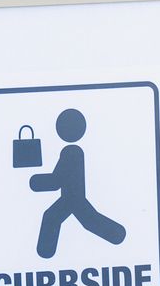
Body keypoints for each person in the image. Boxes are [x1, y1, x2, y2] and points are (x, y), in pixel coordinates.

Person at [29, 108, 126, 259]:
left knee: (54, 217)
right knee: (87, 220)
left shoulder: (71, 152)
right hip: (73, 199)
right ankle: (117, 234)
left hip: (71, 199)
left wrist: (35, 182)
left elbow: (56, 181)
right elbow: (58, 179)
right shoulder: (74, 151)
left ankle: (117, 234)